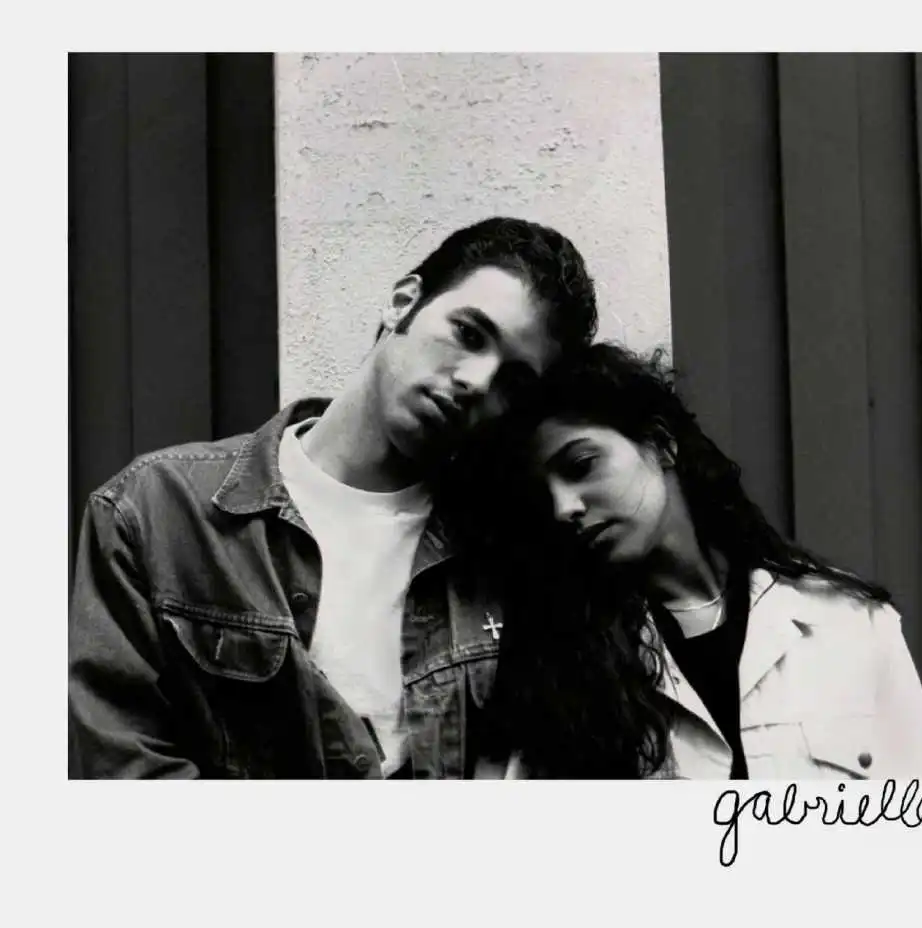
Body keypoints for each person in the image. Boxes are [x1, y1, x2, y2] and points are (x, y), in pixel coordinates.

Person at [68, 216, 598, 778]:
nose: (477, 381)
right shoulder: (157, 510)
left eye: (513, 381)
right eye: (469, 334)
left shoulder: (504, 555)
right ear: (403, 303)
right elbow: (123, 768)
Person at [439, 342, 922, 780]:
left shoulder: (847, 621)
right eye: (543, 496)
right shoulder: (560, 667)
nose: (563, 507)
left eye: (581, 465)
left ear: (661, 444)